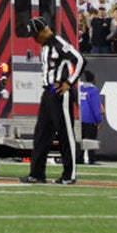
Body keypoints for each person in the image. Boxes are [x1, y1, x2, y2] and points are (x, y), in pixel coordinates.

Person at [20, 16, 85, 185]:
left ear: (44, 30)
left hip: (59, 93)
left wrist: (69, 83)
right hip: (48, 92)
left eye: (35, 35)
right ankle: (37, 173)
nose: (34, 39)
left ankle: (69, 174)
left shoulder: (58, 43)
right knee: (41, 134)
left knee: (65, 134)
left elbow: (79, 59)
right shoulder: (45, 47)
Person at [78, 70, 103, 165]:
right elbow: (95, 106)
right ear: (93, 79)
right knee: (91, 140)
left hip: (79, 118)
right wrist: (99, 120)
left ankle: (79, 158)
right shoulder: (93, 90)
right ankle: (91, 159)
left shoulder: (79, 88)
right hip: (89, 119)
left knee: (80, 140)